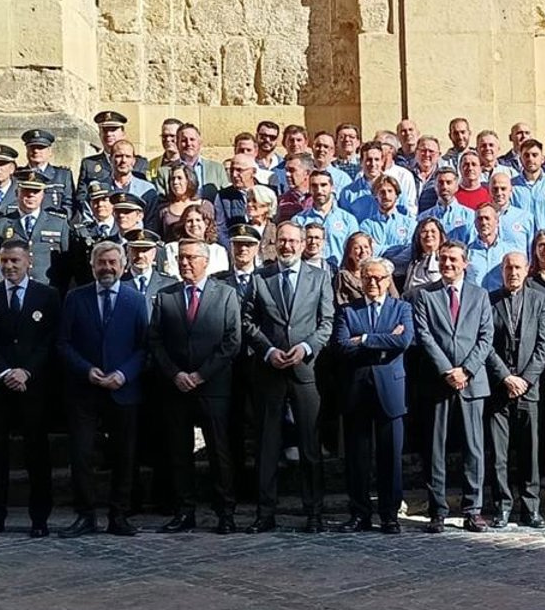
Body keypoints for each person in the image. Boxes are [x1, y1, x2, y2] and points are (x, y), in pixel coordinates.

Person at [151, 238, 245, 534]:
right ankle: (184, 511)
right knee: (179, 452)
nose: (185, 262)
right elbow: (155, 340)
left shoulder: (226, 294)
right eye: (181, 257)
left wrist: (202, 375)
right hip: (175, 387)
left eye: (191, 257)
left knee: (219, 451)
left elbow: (232, 341)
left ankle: (225, 512)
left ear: (206, 261)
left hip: (213, 385)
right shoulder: (166, 296)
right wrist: (175, 374)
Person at [247, 222, 336, 532]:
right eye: (281, 241)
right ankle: (265, 513)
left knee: (310, 445)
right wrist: (268, 351)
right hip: (270, 370)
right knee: (268, 445)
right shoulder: (260, 278)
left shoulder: (320, 278)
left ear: (302, 245)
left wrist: (305, 347)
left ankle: (314, 512)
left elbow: (327, 323)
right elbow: (248, 322)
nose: (286, 246)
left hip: (304, 370)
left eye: (292, 241)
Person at [56, 242, 148, 537]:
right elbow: (63, 343)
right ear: (92, 265)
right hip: (85, 389)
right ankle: (86, 515)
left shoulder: (135, 300)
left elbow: (144, 346)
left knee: (124, 455)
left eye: (112, 262)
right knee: (81, 454)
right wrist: (86, 370)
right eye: (101, 262)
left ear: (123, 265)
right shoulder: (75, 298)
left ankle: (118, 515)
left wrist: (124, 374)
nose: (107, 268)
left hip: (123, 389)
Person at [0, 240, 60, 538]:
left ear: (29, 262)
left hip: (33, 388)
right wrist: (6, 371)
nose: (10, 266)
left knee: (37, 453)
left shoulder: (47, 296)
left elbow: (50, 340)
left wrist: (27, 371)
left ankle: (39, 519)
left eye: (15, 261)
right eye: (5, 261)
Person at [412, 243, 494, 532]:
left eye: (453, 260)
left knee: (474, 448)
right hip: (438, 381)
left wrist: (466, 370)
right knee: (436, 449)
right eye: (443, 259)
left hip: (472, 382)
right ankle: (438, 510)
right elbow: (424, 335)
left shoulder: (480, 295)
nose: (448, 264)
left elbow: (486, 337)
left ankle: (473, 509)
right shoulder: (425, 296)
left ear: (465, 263)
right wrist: (448, 370)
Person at [330, 257, 411, 533]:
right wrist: (383, 339)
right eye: (368, 278)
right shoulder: (347, 311)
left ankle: (389, 514)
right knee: (357, 457)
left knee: (391, 457)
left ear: (388, 281)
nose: (373, 283)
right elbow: (341, 346)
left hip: (390, 390)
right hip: (357, 389)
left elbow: (404, 340)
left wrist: (363, 339)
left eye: (378, 278)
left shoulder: (402, 309)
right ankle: (359, 513)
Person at [486, 251, 545, 529]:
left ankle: (530, 506)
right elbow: (485, 343)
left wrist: (525, 379)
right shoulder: (490, 301)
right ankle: (502, 506)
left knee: (529, 450)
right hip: (499, 387)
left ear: (527, 270)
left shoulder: (539, 301)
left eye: (518, 267)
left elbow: (543, 345)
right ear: (502, 271)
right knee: (499, 452)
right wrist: (505, 376)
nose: (513, 272)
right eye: (508, 268)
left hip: (528, 388)